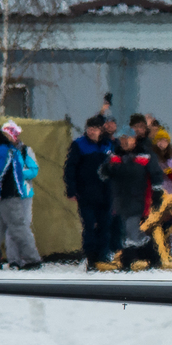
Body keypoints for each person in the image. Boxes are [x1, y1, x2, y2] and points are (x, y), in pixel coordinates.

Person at [0, 122, 42, 269]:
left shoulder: (3, 151)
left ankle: (32, 259)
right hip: (3, 195)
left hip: (8, 195)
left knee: (17, 228)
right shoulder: (7, 150)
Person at [65, 115, 116, 268]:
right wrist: (71, 189)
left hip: (106, 192)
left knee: (105, 225)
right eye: (90, 129)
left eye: (95, 129)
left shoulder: (108, 145)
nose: (92, 132)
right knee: (89, 226)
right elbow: (70, 168)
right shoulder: (79, 145)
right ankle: (91, 258)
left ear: (101, 130)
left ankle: (103, 255)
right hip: (86, 192)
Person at [99, 131, 163, 251]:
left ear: (135, 139)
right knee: (122, 229)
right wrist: (107, 169)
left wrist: (157, 191)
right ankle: (139, 251)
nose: (125, 142)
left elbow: (156, 174)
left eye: (128, 138)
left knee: (132, 227)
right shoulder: (114, 156)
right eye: (122, 139)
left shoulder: (145, 155)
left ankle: (138, 251)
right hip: (120, 198)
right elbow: (104, 174)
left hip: (139, 198)